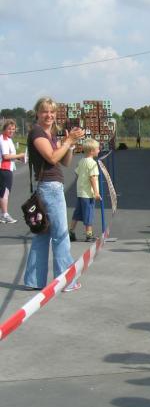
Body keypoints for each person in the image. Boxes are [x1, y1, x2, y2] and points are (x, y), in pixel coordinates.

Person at [23, 97, 85, 292]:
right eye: (44, 111)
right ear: (37, 113)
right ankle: (66, 281)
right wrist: (68, 141)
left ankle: (34, 281)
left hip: (49, 186)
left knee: (43, 234)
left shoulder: (49, 134)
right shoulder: (37, 132)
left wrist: (70, 144)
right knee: (61, 235)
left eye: (52, 112)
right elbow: (51, 157)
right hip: (49, 187)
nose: (49, 115)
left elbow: (64, 161)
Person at [69, 138, 101, 243]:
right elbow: (93, 178)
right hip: (88, 194)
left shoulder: (82, 161)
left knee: (77, 213)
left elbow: (77, 173)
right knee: (88, 213)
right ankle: (89, 234)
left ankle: (71, 232)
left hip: (81, 192)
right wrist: (96, 192)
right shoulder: (93, 163)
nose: (99, 150)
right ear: (92, 151)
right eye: (97, 149)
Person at [1, 119, 25, 223]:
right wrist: (20, 155)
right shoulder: (3, 139)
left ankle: (3, 214)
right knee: (5, 193)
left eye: (13, 129)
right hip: (4, 169)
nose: (11, 131)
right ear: (4, 129)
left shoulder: (8, 139)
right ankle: (5, 215)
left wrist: (19, 158)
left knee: (3, 192)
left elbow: (10, 156)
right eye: (9, 129)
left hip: (7, 168)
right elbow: (6, 156)